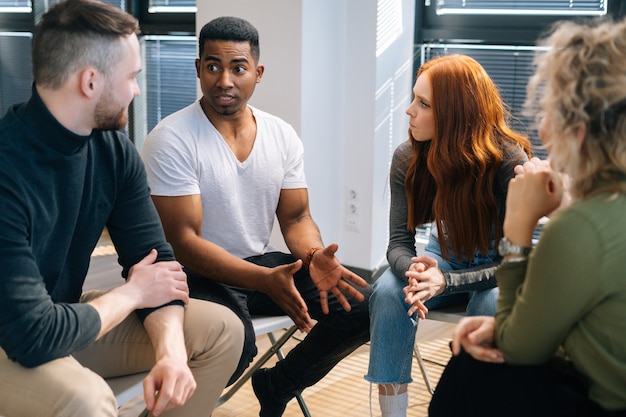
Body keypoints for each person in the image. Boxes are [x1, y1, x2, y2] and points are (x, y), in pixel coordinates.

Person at [0, 1, 245, 416]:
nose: (136, 89)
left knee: (222, 330)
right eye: (131, 76)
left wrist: (170, 353)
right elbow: (32, 334)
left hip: (65, 319)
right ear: (90, 82)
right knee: (85, 399)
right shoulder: (8, 168)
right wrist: (132, 292)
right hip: (14, 338)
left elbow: (157, 265)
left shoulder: (114, 150)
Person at [141, 15, 372, 417]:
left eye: (238, 68)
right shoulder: (172, 138)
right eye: (212, 66)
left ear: (258, 73)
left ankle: (278, 384)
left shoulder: (281, 135)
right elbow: (185, 243)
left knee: (363, 308)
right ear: (198, 68)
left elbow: (297, 218)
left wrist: (315, 256)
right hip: (195, 274)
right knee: (237, 345)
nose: (224, 80)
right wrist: (264, 280)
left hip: (259, 265)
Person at [428, 17, 626, 417]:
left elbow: (520, 350)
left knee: (467, 373)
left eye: (550, 110)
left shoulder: (580, 228)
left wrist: (517, 227)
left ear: (580, 131)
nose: (541, 124)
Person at [365, 54, 531, 417]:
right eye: (414, 98)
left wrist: (445, 281)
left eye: (423, 104)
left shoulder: (507, 160)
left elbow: (515, 261)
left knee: (490, 305)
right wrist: (415, 271)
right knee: (390, 291)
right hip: (441, 260)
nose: (409, 111)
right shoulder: (408, 156)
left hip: (497, 269)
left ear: (456, 113)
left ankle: (472, 404)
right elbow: (397, 244)